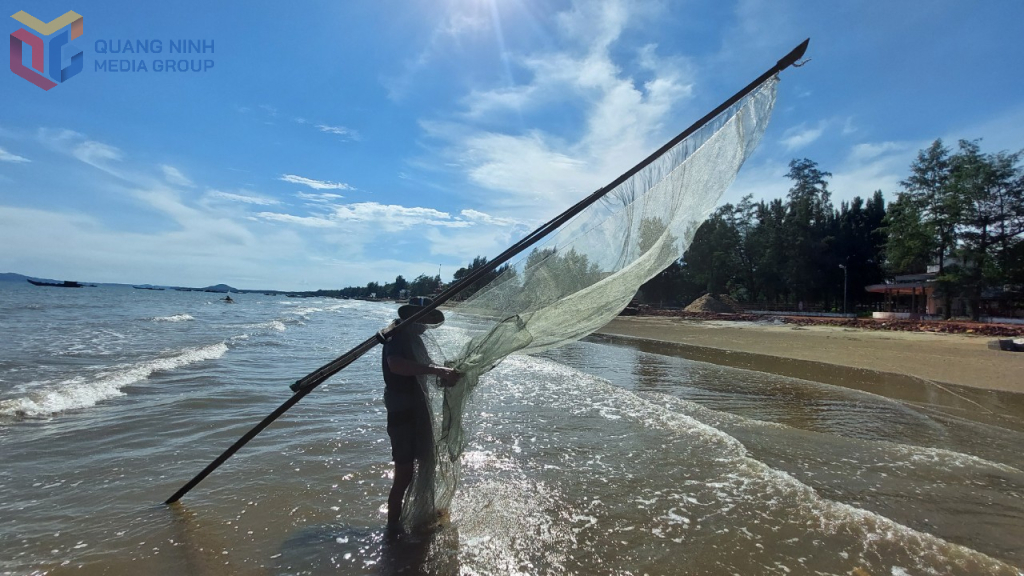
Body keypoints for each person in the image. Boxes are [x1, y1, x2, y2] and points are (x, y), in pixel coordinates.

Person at [382, 297, 459, 533]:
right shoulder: (396, 335)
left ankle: (420, 516)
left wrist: (445, 375)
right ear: (411, 316)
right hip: (402, 413)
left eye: (428, 319)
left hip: (418, 411)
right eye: (422, 318)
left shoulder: (415, 339)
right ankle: (392, 532)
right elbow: (396, 365)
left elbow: (424, 369)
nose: (425, 324)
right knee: (404, 476)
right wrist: (436, 369)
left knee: (427, 463)